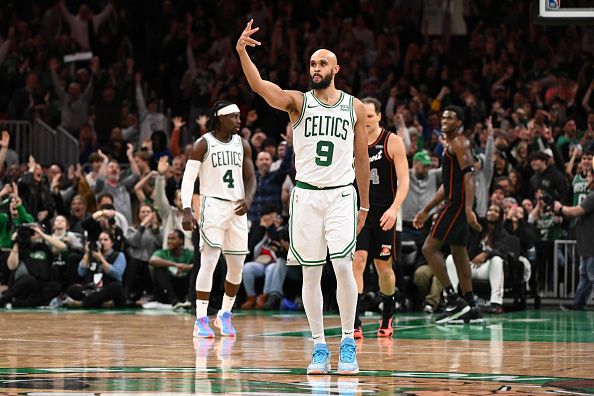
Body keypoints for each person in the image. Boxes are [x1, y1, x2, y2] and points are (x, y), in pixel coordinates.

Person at [237, 20, 370, 375]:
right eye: (312, 64)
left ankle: (346, 343)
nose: (316, 68)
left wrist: (366, 204)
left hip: (342, 195)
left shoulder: (354, 107)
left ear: (336, 69)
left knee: (343, 266)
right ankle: (319, 347)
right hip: (307, 196)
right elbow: (260, 86)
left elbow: (360, 157)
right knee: (311, 274)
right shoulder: (298, 103)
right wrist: (241, 53)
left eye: (322, 63)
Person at [181, 100, 256, 338]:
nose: (239, 120)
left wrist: (250, 198)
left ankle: (224, 314)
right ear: (220, 118)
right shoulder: (202, 144)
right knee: (210, 261)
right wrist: (186, 209)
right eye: (234, 117)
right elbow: (187, 179)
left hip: (237, 209)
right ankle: (201, 318)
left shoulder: (243, 144)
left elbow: (251, 177)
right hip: (212, 204)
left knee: (236, 266)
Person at [413, 106, 483, 324]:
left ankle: (454, 301)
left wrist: (469, 208)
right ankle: (471, 305)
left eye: (450, 117)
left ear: (459, 123)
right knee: (459, 252)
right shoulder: (450, 146)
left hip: (458, 204)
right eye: (443, 117)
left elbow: (469, 177)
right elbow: (447, 184)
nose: (445, 120)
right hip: (456, 201)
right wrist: (426, 209)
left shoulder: (460, 143)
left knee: (428, 248)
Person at [352, 97, 409, 339]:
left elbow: (404, 180)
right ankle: (353, 321)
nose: (365, 120)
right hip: (361, 212)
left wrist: (395, 209)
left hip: (386, 212)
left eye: (370, 116)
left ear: (378, 117)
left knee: (383, 267)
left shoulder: (392, 141)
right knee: (358, 261)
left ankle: (387, 314)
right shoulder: (352, 143)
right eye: (362, 116)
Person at [555, 164, 594, 311]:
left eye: (589, 176)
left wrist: (560, 208)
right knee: (585, 275)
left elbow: (576, 211)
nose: (586, 180)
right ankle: (578, 303)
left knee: (591, 276)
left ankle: (579, 303)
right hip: (587, 245)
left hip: (591, 245)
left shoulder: (593, 196)